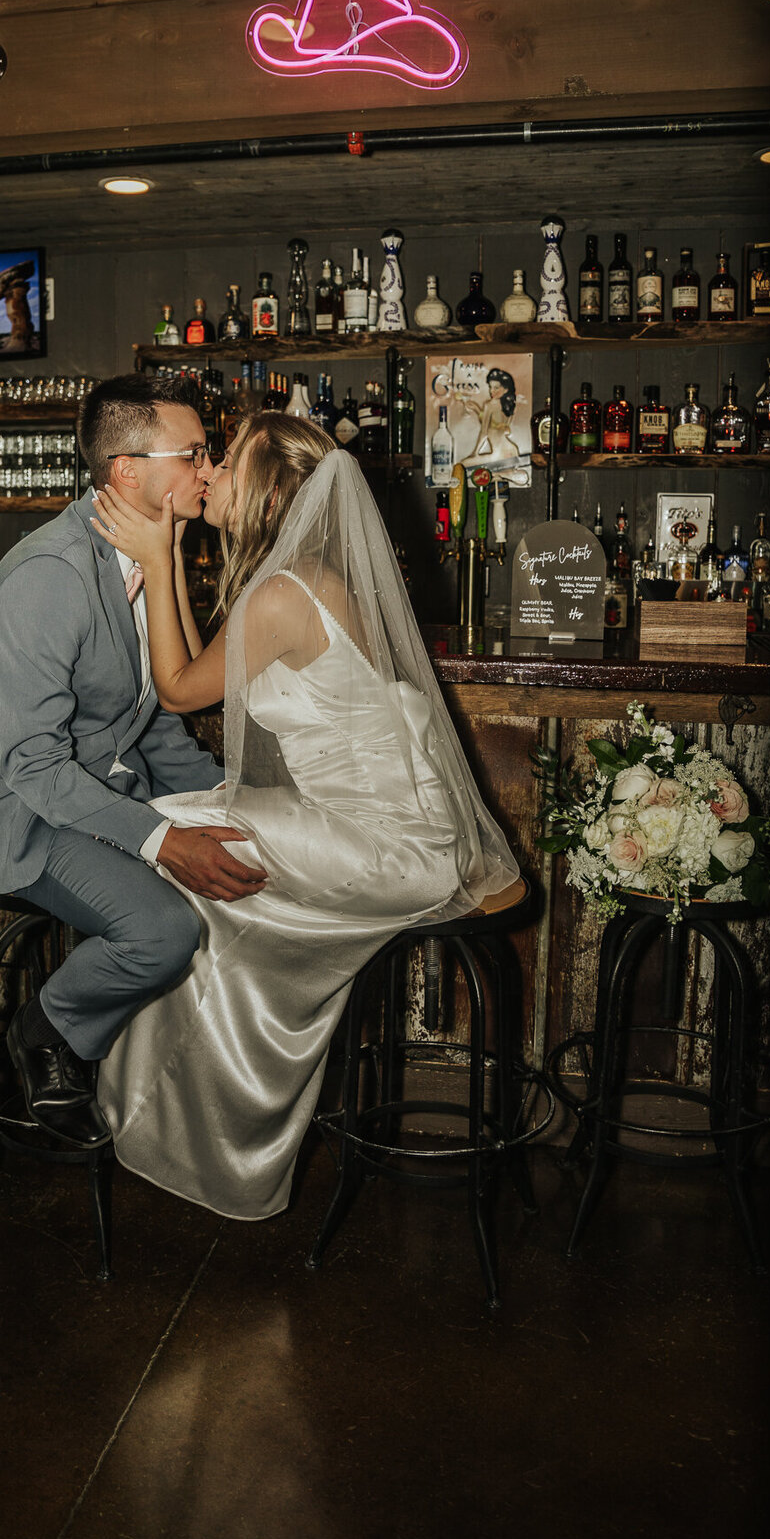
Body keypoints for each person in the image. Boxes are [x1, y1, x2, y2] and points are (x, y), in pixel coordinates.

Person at [90, 411, 519, 1220]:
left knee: (171, 835)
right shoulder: (296, 578)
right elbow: (195, 667)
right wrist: (170, 552)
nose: (207, 472)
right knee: (181, 836)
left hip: (388, 845)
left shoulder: (287, 592)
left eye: (226, 462)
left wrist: (158, 553)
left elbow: (181, 689)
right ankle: (165, 1104)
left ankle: (185, 1122)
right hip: (377, 825)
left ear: (266, 491)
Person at [0, 375, 267, 1151]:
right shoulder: (49, 577)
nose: (209, 469)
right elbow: (36, 769)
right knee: (161, 934)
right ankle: (44, 1031)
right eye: (192, 453)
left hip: (94, 800)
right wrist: (162, 839)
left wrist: (227, 800)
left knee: (253, 855)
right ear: (126, 471)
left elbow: (145, 727)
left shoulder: (150, 556)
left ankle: (195, 1092)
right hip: (19, 819)